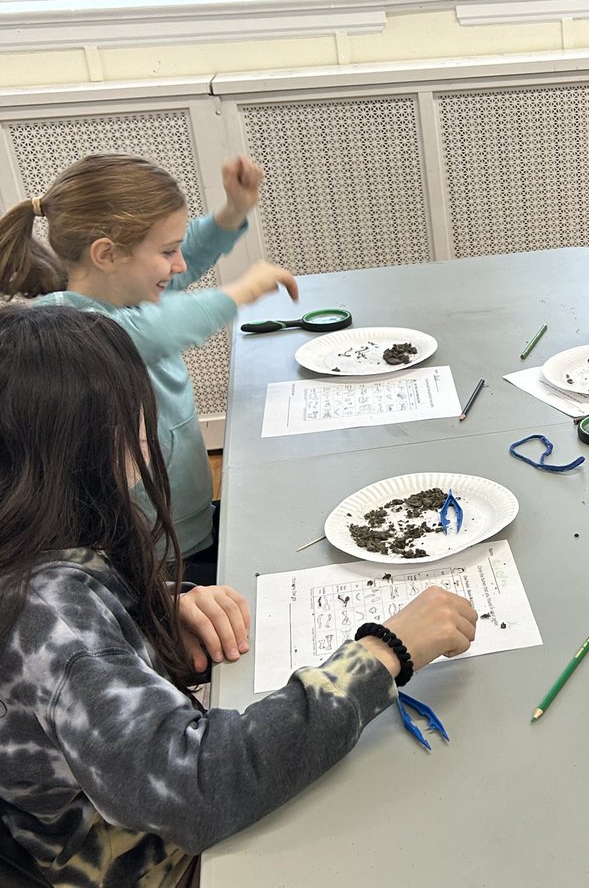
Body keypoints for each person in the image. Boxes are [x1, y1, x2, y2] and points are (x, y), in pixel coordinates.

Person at [0, 305, 478, 888]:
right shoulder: (53, 622)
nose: (151, 433)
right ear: (76, 451)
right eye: (133, 417)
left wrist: (148, 618)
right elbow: (197, 787)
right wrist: (383, 654)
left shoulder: (29, 555)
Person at [0, 153, 299, 583]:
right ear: (107, 254)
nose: (179, 266)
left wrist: (232, 212)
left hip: (185, 521)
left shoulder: (125, 288)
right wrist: (243, 290)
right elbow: (162, 327)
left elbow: (190, 251)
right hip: (149, 548)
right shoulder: (74, 331)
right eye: (166, 251)